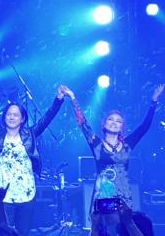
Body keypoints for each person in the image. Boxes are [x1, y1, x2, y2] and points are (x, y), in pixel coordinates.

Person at [0, 80, 70, 236]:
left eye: (16, 114)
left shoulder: (30, 134)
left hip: (27, 193)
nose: (12, 117)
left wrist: (59, 99)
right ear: (4, 117)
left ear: (22, 118)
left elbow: (47, 118)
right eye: (9, 114)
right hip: (4, 195)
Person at [64, 84, 163, 212]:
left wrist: (154, 101)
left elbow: (144, 126)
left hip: (123, 199)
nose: (114, 122)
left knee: (122, 224)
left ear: (122, 127)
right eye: (110, 119)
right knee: (104, 225)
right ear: (104, 124)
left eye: (118, 121)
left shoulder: (127, 145)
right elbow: (82, 123)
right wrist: (73, 97)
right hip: (102, 197)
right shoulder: (96, 144)